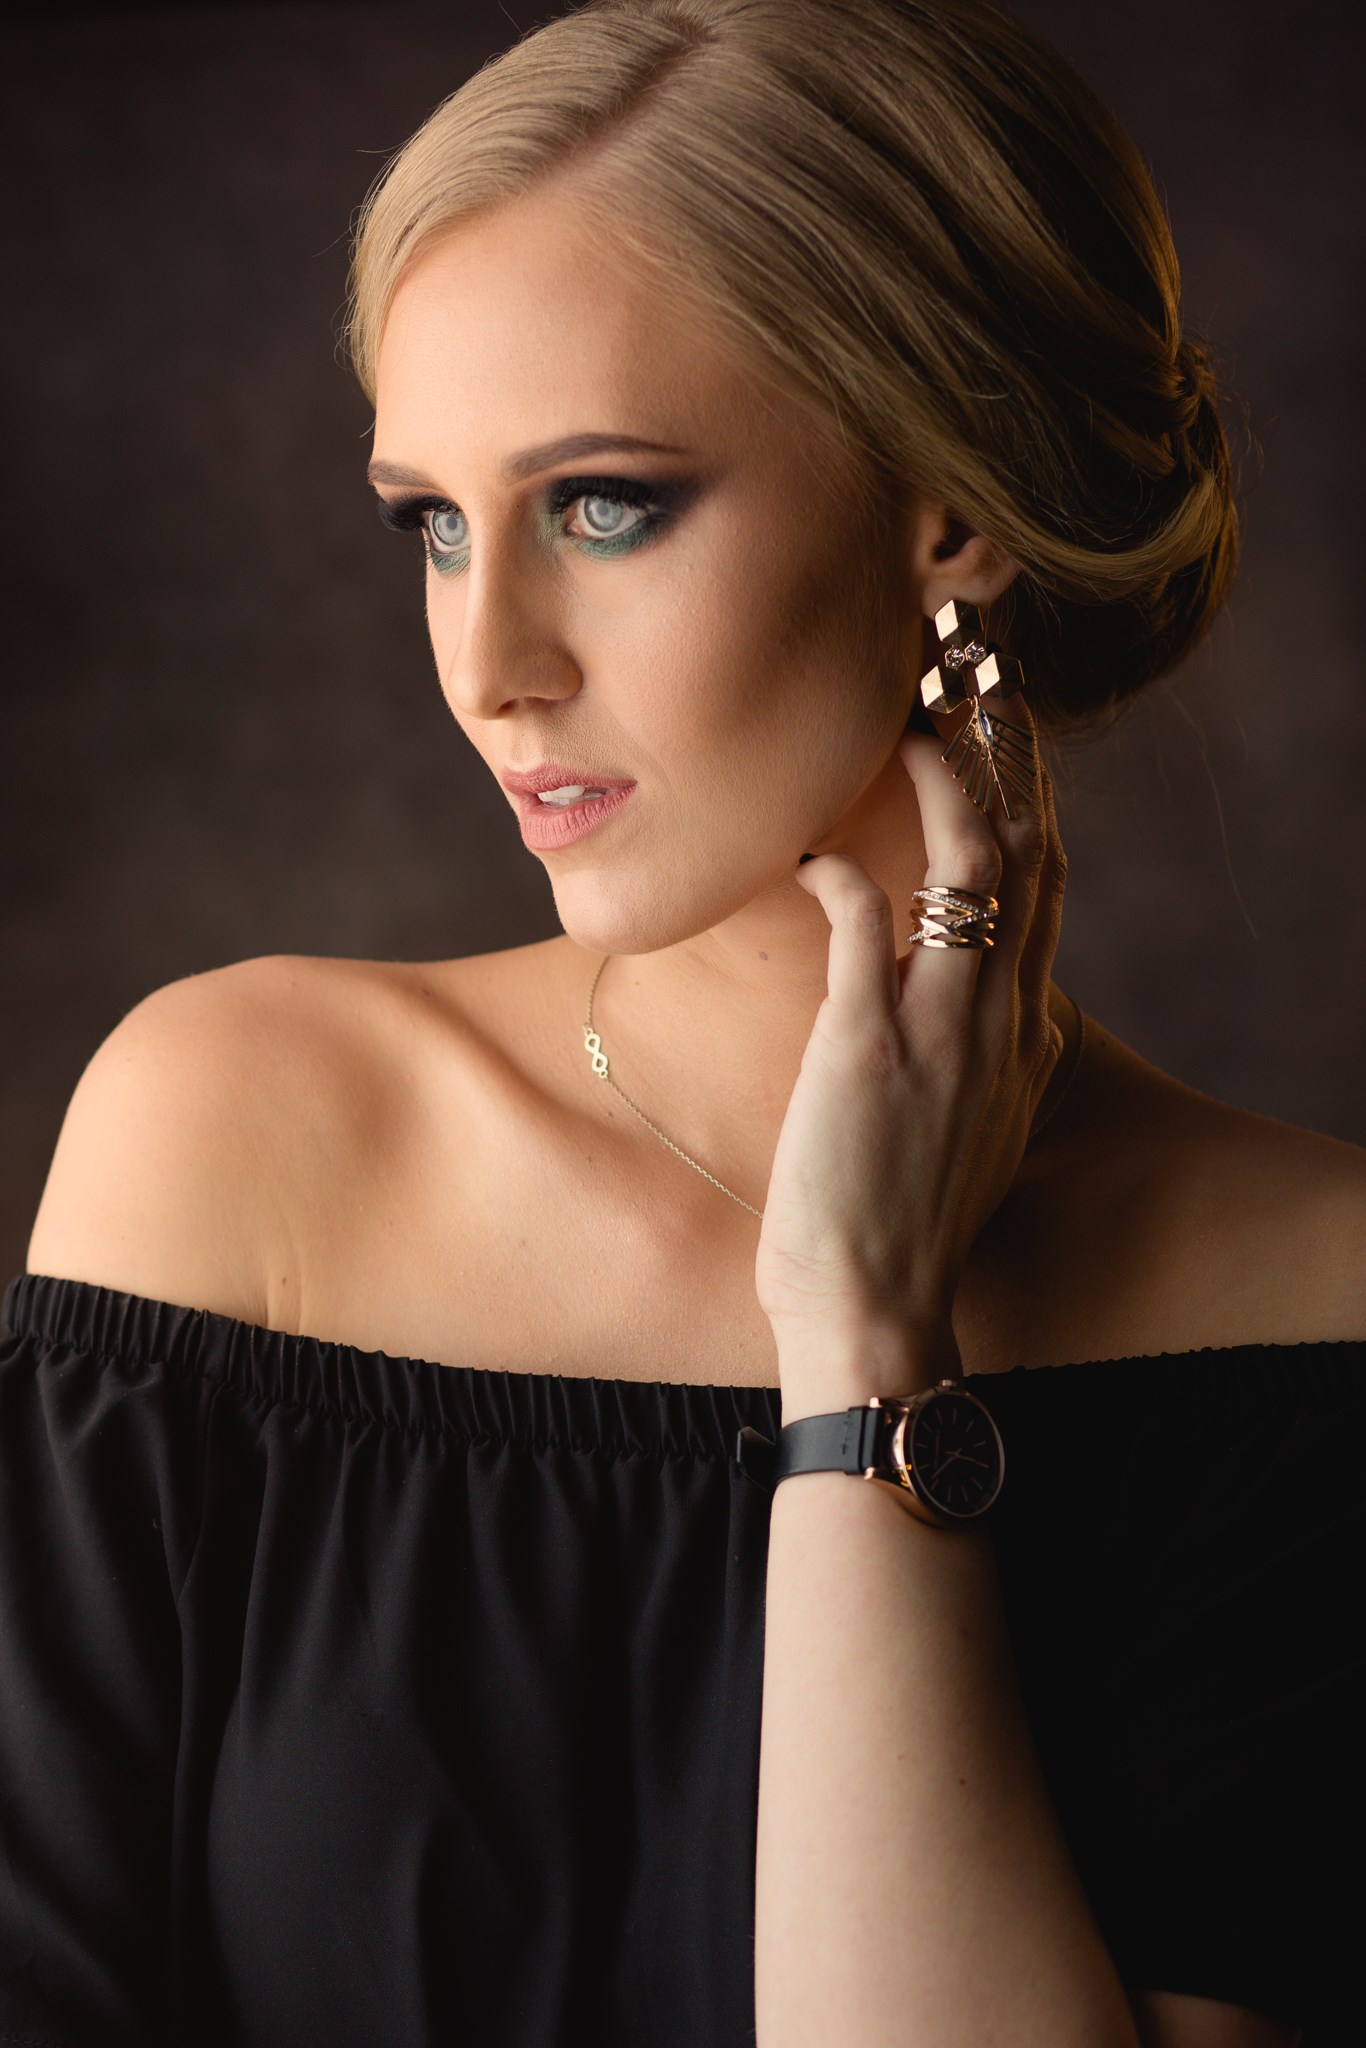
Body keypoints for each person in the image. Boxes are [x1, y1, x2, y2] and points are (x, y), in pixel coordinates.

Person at [1, 0, 1361, 2042]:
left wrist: (863, 1347)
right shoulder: (236, 1138)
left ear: (952, 501)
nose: (486, 661)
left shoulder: (1314, 1299)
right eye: (430, 522)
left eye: (604, 505)